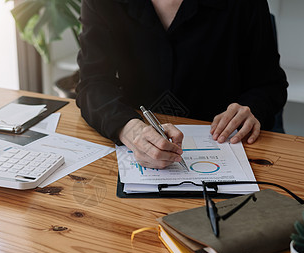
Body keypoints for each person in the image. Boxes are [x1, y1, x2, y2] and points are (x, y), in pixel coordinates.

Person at [76, 0, 288, 169]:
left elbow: (270, 84)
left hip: (226, 148)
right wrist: (128, 128)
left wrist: (251, 108)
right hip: (137, 148)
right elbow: (92, 82)